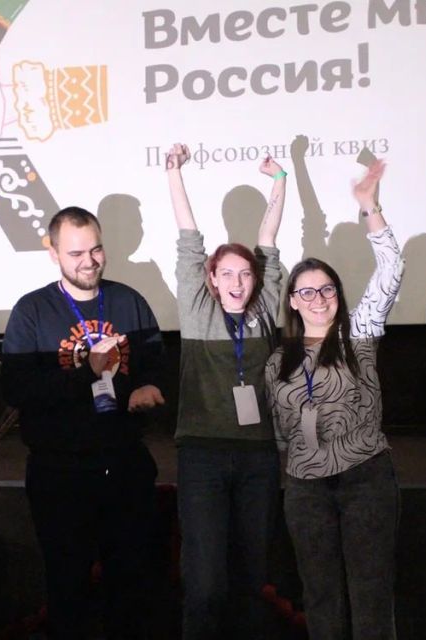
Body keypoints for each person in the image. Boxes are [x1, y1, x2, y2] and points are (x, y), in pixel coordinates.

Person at [1, 206, 165, 639]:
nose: (89, 261)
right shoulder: (32, 311)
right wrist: (86, 373)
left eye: (96, 250)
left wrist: (149, 387)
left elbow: (155, 364)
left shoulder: (129, 301)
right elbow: (18, 390)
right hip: (60, 474)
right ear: (53, 253)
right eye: (76, 253)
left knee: (130, 586)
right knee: (67, 586)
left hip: (124, 466)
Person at [265, 159, 403, 640]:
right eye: (306, 292)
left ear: (338, 295)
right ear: (292, 301)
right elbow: (282, 432)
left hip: (365, 479)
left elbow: (391, 270)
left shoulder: (358, 334)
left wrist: (369, 206)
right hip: (305, 489)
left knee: (370, 594)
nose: (318, 298)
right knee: (320, 596)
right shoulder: (277, 362)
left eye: (326, 289)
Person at [165, 143, 286, 640]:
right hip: (203, 456)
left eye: (245, 273)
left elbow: (269, 239)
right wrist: (174, 173)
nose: (237, 282)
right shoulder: (197, 310)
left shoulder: (266, 307)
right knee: (206, 582)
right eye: (227, 273)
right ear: (211, 279)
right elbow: (188, 238)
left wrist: (281, 179)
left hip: (259, 456)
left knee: (252, 578)